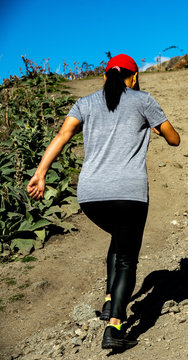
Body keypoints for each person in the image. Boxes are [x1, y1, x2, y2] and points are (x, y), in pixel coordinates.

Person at [26, 54, 180, 350]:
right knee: (127, 258)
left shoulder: (85, 103)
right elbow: (174, 140)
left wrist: (40, 173)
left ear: (106, 77)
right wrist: (157, 128)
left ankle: (110, 300)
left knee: (118, 239)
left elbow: (63, 135)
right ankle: (115, 327)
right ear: (133, 77)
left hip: (91, 196)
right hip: (129, 194)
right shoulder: (143, 100)